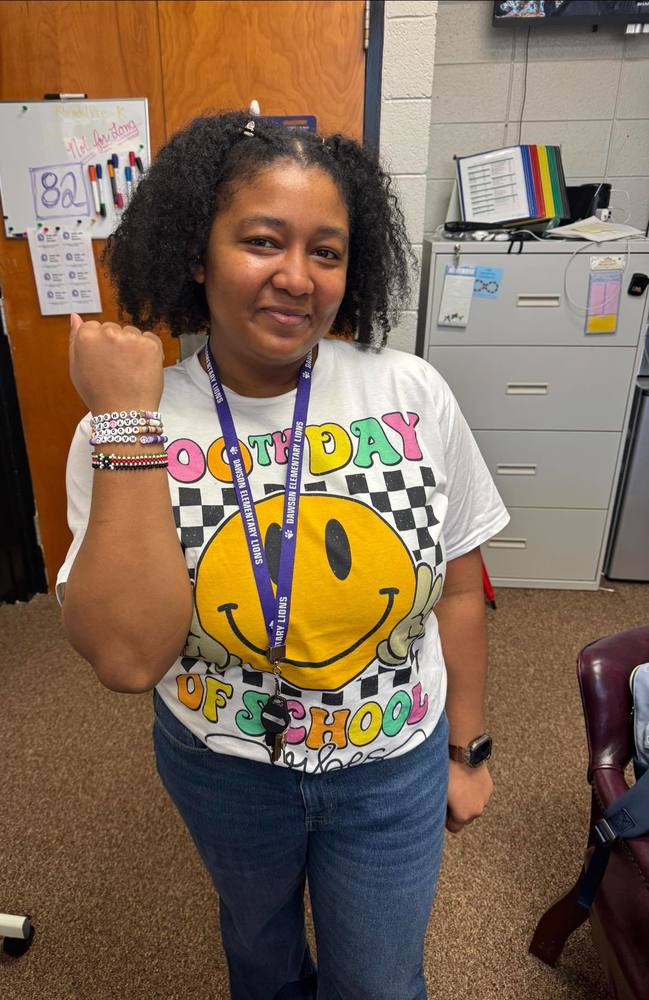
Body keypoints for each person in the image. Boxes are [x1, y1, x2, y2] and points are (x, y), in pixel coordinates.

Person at [57, 110, 510, 1000]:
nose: (297, 278)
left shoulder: (406, 390)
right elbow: (126, 656)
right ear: (199, 253)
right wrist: (123, 421)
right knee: (259, 962)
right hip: (223, 767)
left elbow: (459, 585)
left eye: (327, 252)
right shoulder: (133, 427)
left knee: (378, 984)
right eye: (263, 241)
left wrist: (467, 750)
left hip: (390, 762)